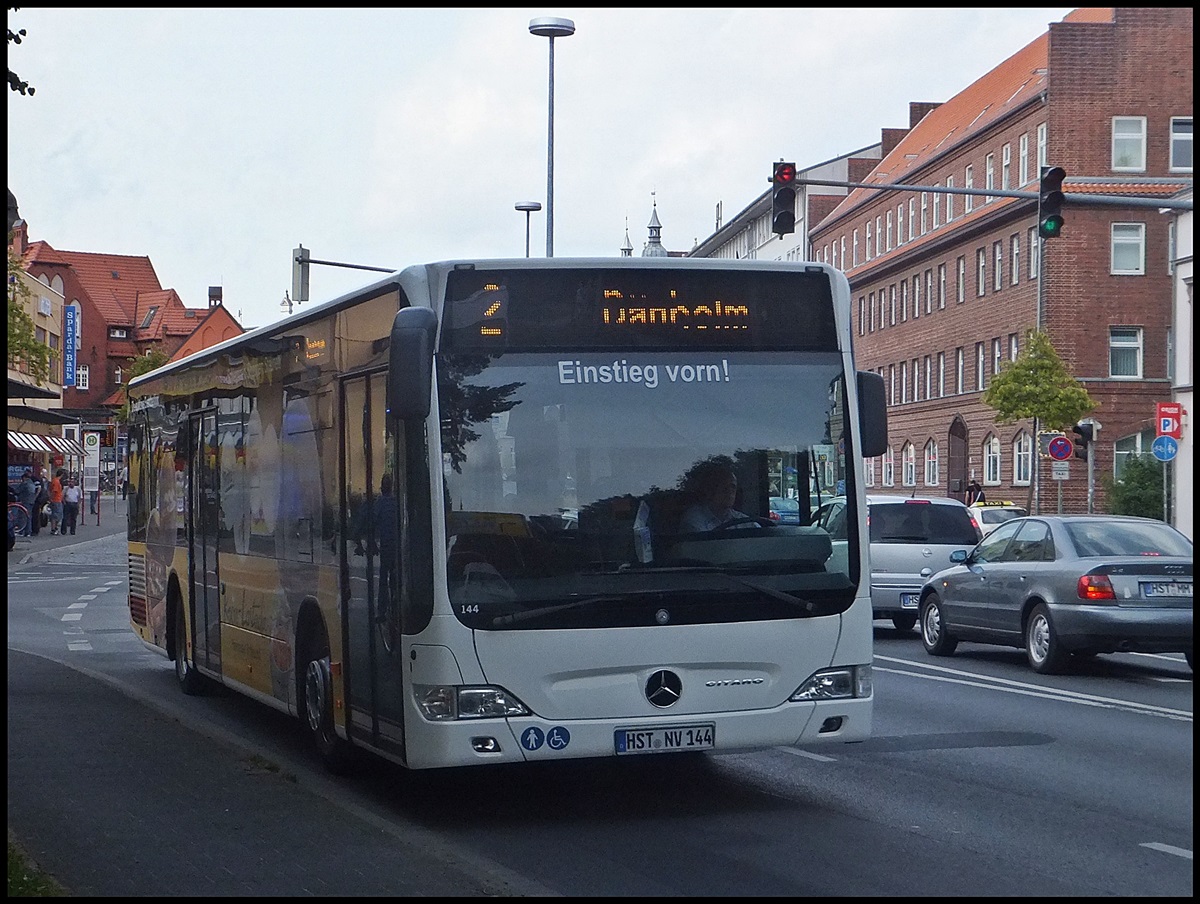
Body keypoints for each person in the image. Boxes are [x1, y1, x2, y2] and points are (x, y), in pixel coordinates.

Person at [679, 458, 760, 533]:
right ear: (709, 490)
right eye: (723, 486)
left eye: (733, 487)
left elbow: (762, 536)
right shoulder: (693, 521)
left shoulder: (743, 520)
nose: (729, 491)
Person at [16, 469, 37, 536]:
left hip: (25, 501)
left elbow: (17, 491)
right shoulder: (32, 483)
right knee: (29, 516)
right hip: (31, 501)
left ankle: (21, 531)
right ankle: (28, 532)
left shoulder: (25, 483)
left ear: (24, 478)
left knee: (23, 516)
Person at [48, 469, 64, 535]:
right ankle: (54, 528)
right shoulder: (57, 482)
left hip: (55, 500)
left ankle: (53, 528)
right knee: (57, 515)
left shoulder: (53, 480)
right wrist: (52, 498)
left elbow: (49, 490)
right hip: (56, 500)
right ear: (62, 475)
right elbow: (54, 491)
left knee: (54, 515)